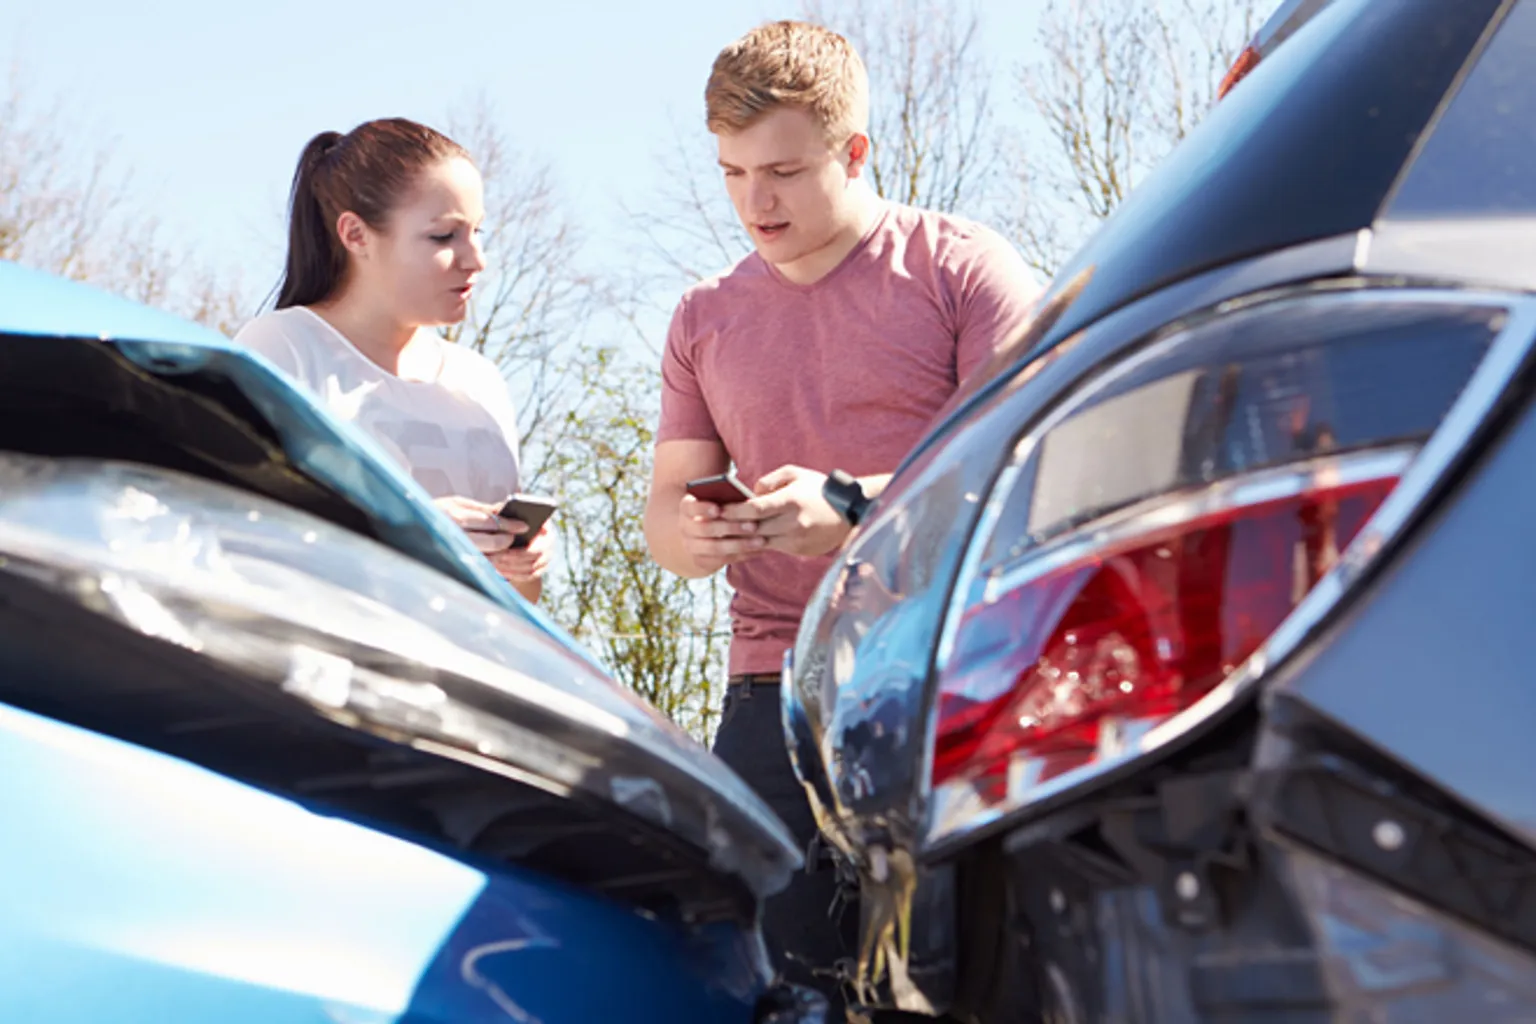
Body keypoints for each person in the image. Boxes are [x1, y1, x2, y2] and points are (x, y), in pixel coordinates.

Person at [642, 20, 1042, 1013]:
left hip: (950, 678)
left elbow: (1025, 480)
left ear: (854, 150)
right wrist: (695, 534)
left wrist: (859, 508)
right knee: (776, 997)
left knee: (973, 991)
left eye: (782, 171)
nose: (755, 202)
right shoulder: (702, 318)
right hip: (769, 696)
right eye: (733, 173)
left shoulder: (964, 270)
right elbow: (666, 521)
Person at [235, 118, 551, 604]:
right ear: (355, 234)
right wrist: (413, 531)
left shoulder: (480, 380)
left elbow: (520, 600)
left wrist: (524, 562)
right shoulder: (283, 348)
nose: (476, 258)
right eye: (443, 236)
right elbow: (240, 540)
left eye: (477, 231)